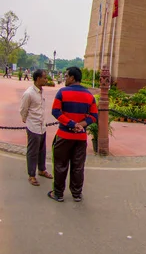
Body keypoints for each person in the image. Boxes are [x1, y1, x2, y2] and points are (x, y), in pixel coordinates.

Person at [48, 66, 98, 203]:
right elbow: (94, 116)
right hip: (80, 138)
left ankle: (58, 194)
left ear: (72, 78)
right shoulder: (89, 95)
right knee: (78, 166)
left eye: (66, 76)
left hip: (64, 135)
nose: (65, 78)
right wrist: (80, 125)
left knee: (60, 165)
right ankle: (76, 194)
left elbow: (56, 111)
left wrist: (71, 124)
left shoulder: (62, 92)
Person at [19, 69, 53, 186]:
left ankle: (42, 169)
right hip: (33, 126)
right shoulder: (29, 93)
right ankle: (32, 175)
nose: (46, 80)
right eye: (44, 78)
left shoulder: (41, 91)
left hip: (41, 126)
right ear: (38, 79)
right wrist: (25, 119)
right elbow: (23, 109)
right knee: (33, 151)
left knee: (42, 150)